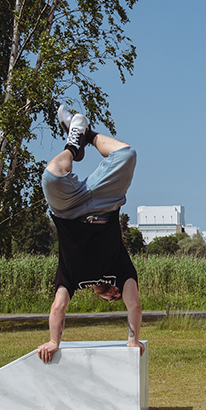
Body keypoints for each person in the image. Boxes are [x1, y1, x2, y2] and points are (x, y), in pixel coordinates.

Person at [37, 105, 142, 362]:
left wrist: (54, 341)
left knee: (50, 176)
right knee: (127, 154)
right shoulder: (120, 270)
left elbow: (58, 307)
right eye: (113, 298)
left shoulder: (72, 278)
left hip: (69, 211)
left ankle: (74, 142)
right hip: (103, 204)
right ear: (115, 292)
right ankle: (86, 134)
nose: (110, 298)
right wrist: (132, 339)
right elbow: (134, 306)